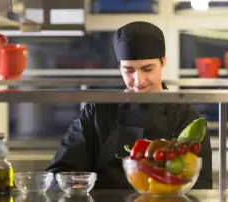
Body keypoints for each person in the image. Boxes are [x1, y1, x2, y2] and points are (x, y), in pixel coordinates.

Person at [45, 21, 212, 189]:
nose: (138, 81)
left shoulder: (188, 119)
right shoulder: (98, 111)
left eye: (147, 69)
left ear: (163, 62)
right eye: (129, 70)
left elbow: (201, 187)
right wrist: (74, 188)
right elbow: (59, 172)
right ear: (119, 68)